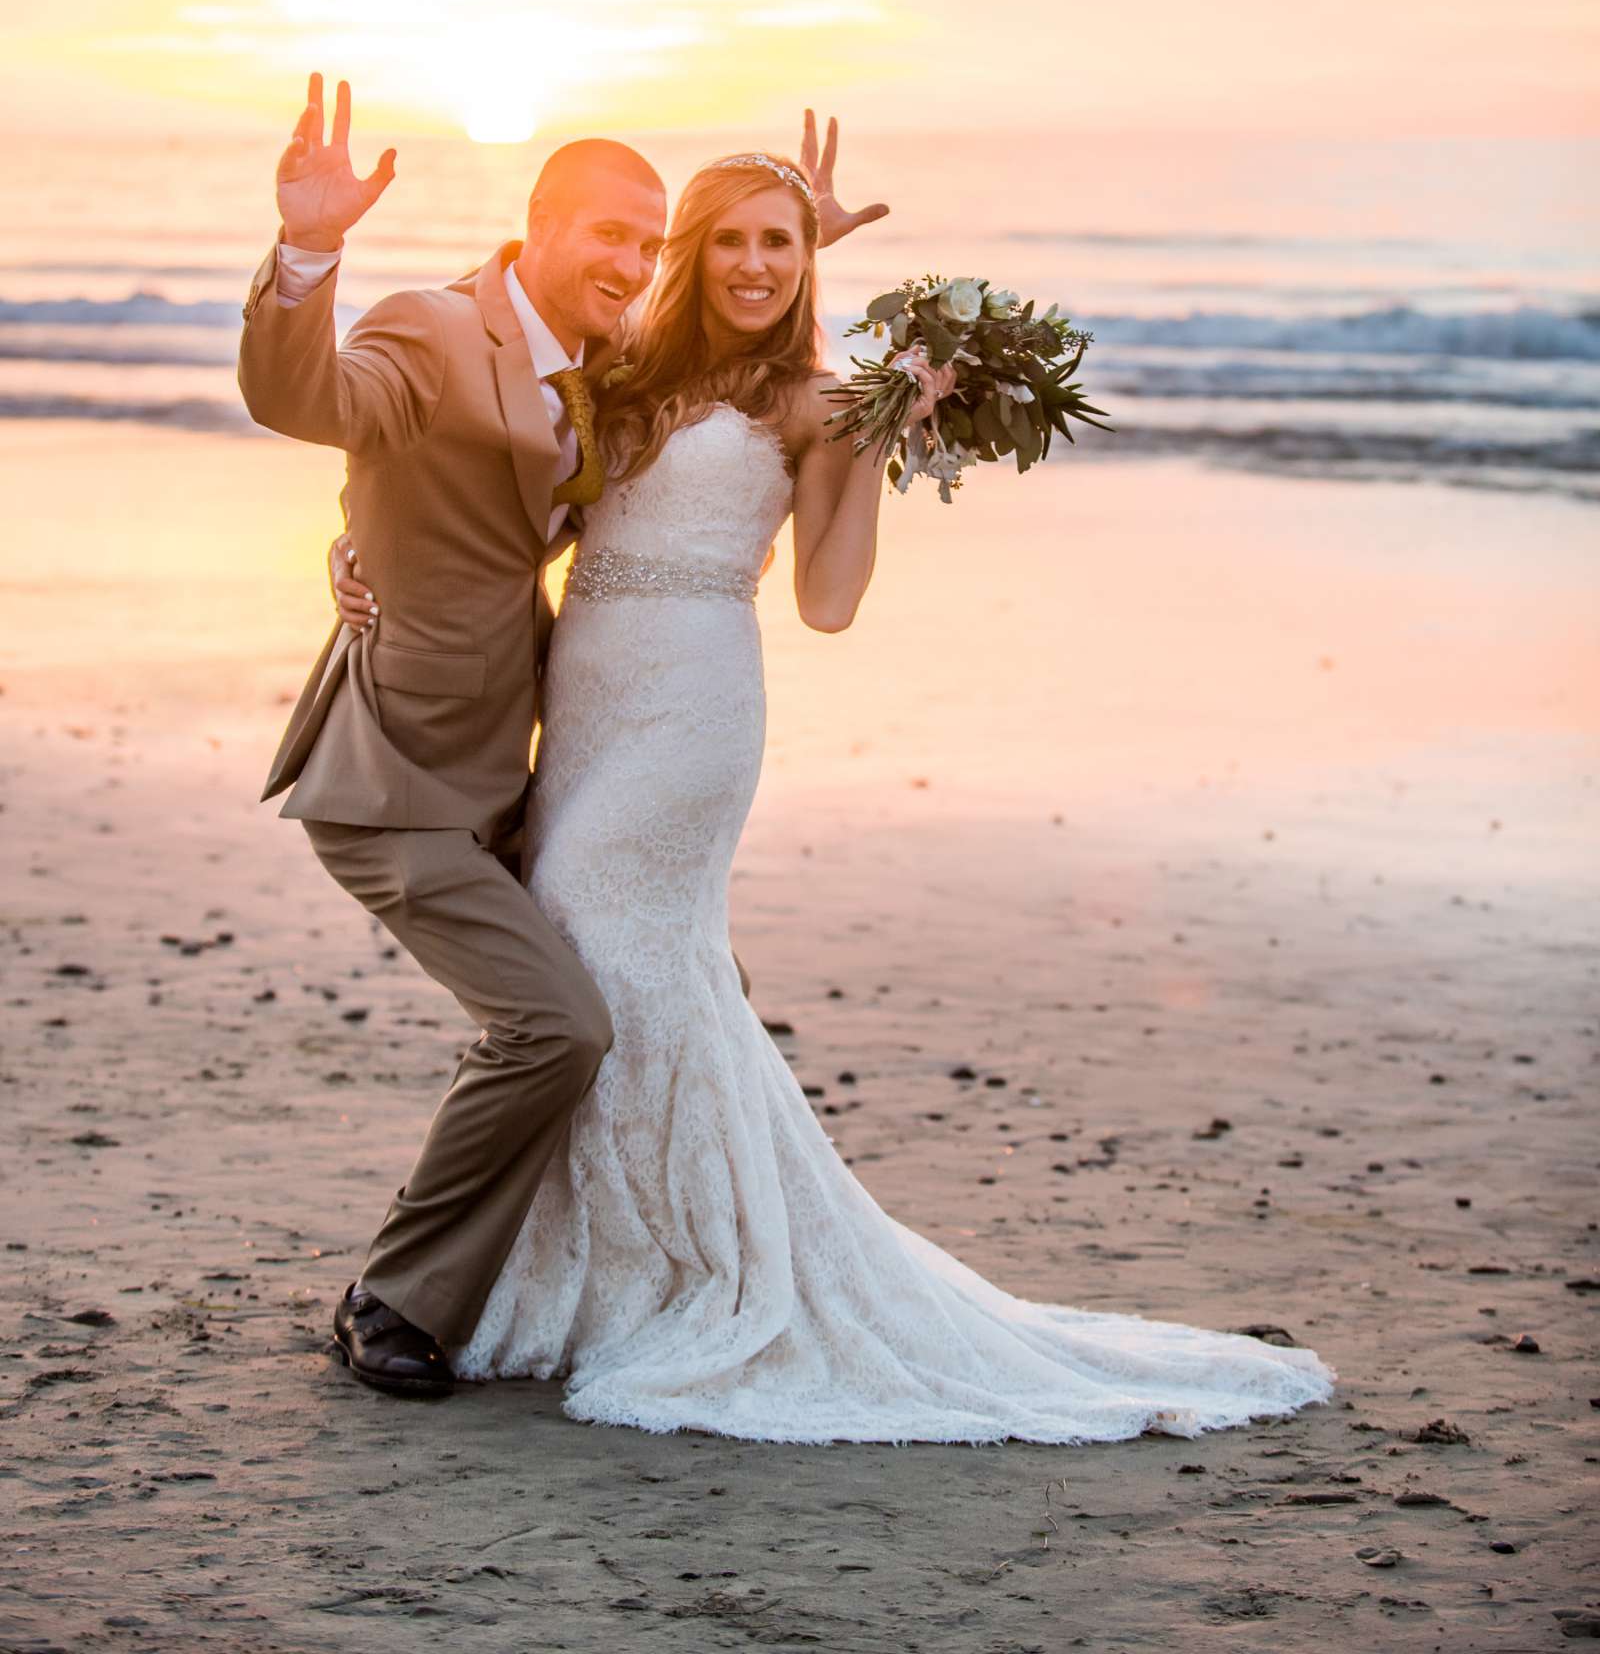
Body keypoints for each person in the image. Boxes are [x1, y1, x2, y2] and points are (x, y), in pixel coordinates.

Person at [331, 147, 1340, 1445]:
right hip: (578, 693)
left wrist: (876, 438)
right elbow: (489, 489)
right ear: (691, 250)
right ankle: (577, 1275)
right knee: (618, 980)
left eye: (784, 246)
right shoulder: (625, 368)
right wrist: (359, 548)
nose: (759, 264)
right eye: (736, 241)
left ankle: (658, 1272)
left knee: (605, 953)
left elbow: (827, 600)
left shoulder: (819, 400)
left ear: (807, 269)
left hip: (691, 714)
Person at [237, 77, 886, 1400]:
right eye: (614, 236)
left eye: (653, 246)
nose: (634, 262)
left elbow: (687, 410)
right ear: (540, 226)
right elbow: (312, 402)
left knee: (645, 991)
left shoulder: (605, 371)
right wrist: (310, 250)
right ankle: (396, 1301)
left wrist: (781, 252)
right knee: (563, 1024)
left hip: (577, 747)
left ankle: (644, 1266)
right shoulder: (429, 329)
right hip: (398, 773)